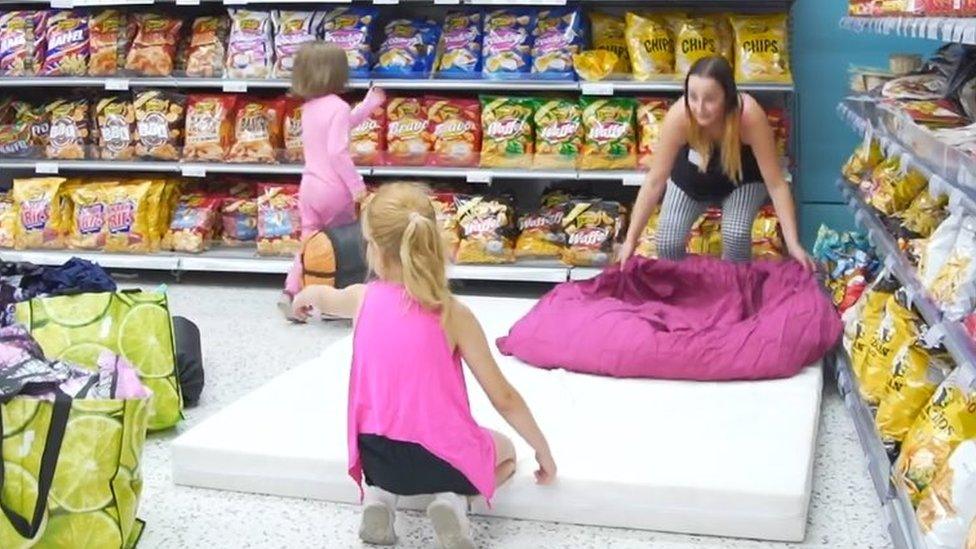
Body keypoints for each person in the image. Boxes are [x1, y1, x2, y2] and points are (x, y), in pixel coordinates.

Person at [290, 182, 557, 548]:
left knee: (394, 468)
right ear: (429, 242)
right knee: (506, 452)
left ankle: (380, 499)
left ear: (374, 250)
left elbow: (325, 296)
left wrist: (304, 297)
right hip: (440, 459)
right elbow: (503, 397)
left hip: (377, 457)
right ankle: (454, 501)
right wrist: (542, 449)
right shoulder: (453, 313)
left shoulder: (362, 299)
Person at [619, 56, 815, 271]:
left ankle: (737, 286)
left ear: (728, 97)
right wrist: (630, 241)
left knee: (736, 234)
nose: (699, 108)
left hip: (741, 180)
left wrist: (794, 244)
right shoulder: (679, 115)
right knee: (667, 242)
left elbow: (777, 185)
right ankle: (683, 293)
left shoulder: (748, 116)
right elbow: (655, 181)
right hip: (690, 180)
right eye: (692, 97)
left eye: (710, 99)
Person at [279, 42, 386, 321]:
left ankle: (291, 291)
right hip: (334, 189)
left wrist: (368, 105)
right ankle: (335, 296)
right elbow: (337, 152)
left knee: (308, 240)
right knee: (342, 245)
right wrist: (357, 186)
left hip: (310, 187)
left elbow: (342, 125)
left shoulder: (309, 107)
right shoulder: (337, 106)